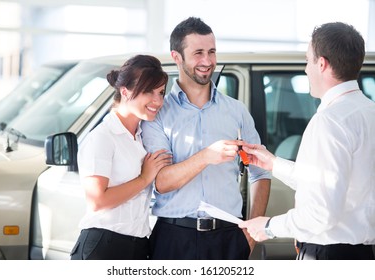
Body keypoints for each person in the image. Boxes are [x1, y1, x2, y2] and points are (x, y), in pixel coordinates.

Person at [239, 22, 375, 260]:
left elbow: (321, 213)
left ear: (321, 64)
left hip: (329, 257)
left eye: (307, 61)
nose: (306, 70)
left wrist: (269, 226)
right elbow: (328, 183)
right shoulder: (368, 112)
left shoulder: (330, 121)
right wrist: (273, 164)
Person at [141, 17, 271, 260]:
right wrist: (206, 157)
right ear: (176, 56)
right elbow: (160, 181)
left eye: (212, 52)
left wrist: (251, 233)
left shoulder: (236, 111)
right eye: (198, 53)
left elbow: (261, 173)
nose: (208, 61)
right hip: (174, 238)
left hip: (230, 237)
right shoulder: (158, 113)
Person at [70, 54, 172, 260]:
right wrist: (144, 178)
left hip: (139, 246)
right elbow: (97, 201)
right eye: (148, 92)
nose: (158, 101)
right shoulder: (103, 137)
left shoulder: (143, 137)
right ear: (125, 91)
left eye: (161, 92)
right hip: (103, 246)